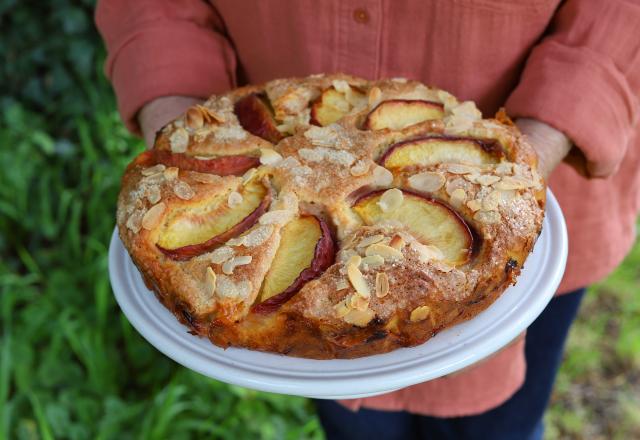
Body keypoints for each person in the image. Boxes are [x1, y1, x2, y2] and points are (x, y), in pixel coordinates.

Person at [96, 1, 640, 438]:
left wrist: (535, 148)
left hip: (525, 201)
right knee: (354, 422)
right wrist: (186, 146)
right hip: (266, 159)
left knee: (506, 424)